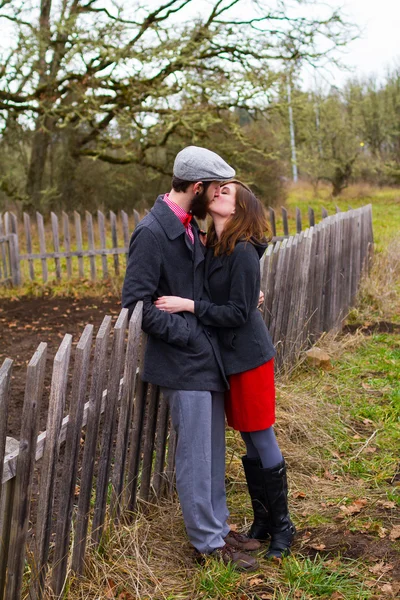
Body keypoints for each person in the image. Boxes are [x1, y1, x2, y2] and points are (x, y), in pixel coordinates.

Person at [122, 148, 260, 571]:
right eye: (215, 189)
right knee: (195, 456)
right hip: (182, 361)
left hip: (204, 358)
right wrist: (193, 336)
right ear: (197, 188)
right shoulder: (152, 232)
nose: (219, 196)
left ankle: (217, 529)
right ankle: (206, 545)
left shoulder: (188, 227)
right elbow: (136, 305)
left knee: (212, 452)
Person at [155, 180, 296, 559]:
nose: (218, 193)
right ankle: (263, 520)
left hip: (249, 356)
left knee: (260, 435)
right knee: (249, 439)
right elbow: (232, 297)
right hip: (228, 360)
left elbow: (236, 312)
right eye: (218, 189)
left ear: (238, 209)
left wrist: (189, 305)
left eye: (228, 192)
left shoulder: (244, 251)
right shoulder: (214, 246)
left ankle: (283, 526)